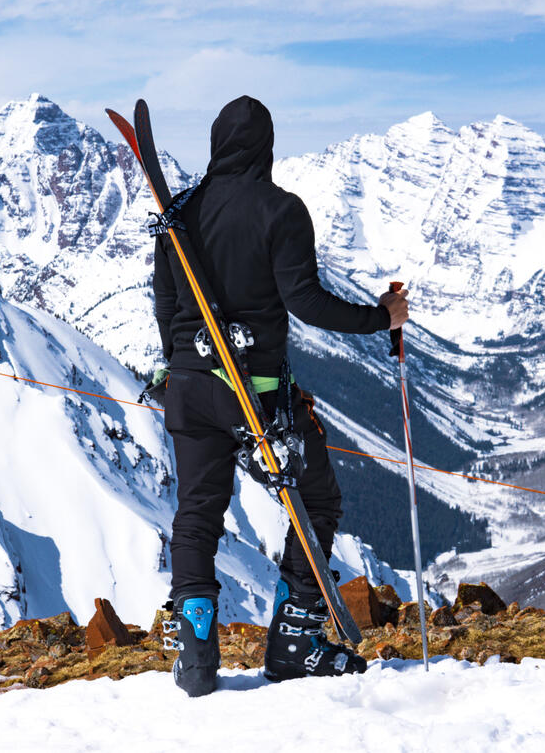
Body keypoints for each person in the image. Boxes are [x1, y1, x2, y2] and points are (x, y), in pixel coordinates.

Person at [149, 96, 409, 697]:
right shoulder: (281, 209)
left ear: (216, 144)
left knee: (197, 513)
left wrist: (182, 364)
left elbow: (166, 307)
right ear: (266, 147)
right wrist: (382, 318)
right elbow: (305, 303)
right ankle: (294, 644)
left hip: (188, 387)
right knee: (315, 498)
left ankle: (195, 655)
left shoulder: (176, 213)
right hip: (259, 394)